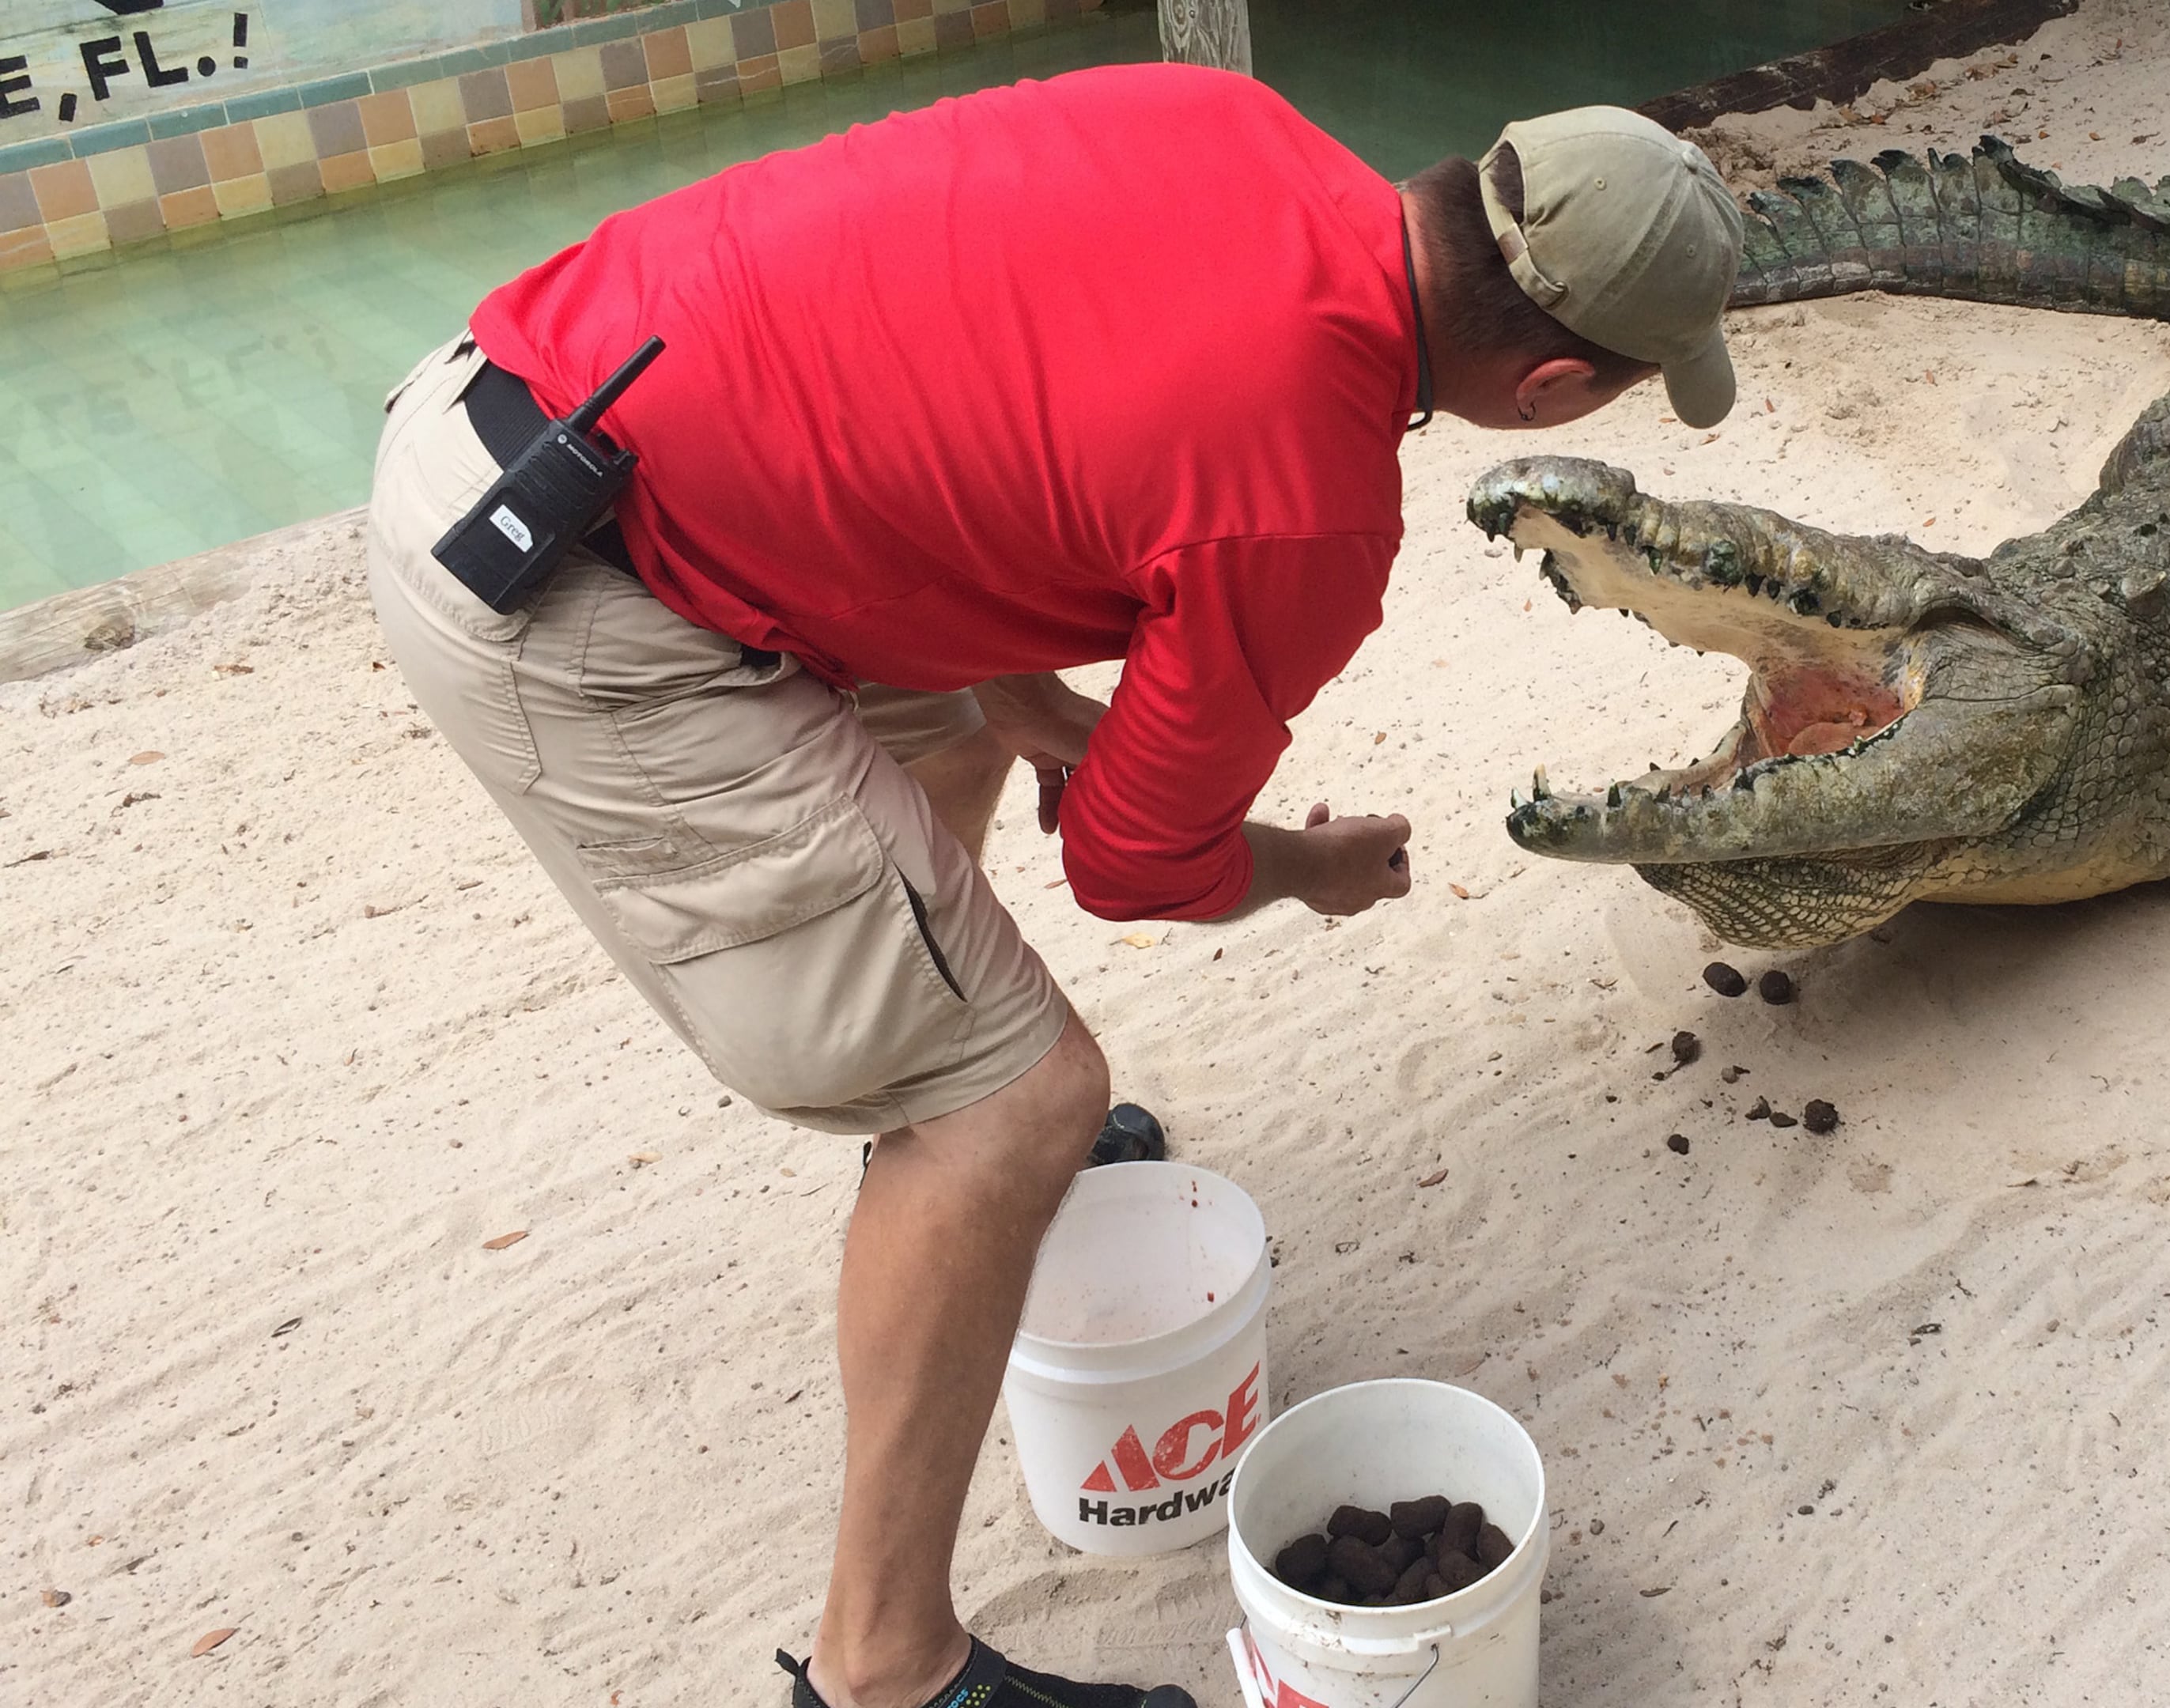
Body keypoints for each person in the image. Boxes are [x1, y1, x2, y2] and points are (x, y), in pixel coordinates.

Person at [362, 62, 1741, 1708]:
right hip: (577, 600)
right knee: (1021, 1100)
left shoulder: (1229, 119)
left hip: (524, 389)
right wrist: (1303, 868)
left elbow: (968, 420)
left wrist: (1048, 712)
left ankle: (940, 1138)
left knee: (954, 758)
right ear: (1555, 387)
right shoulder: (1302, 501)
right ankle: (888, 1666)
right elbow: (1131, 867)